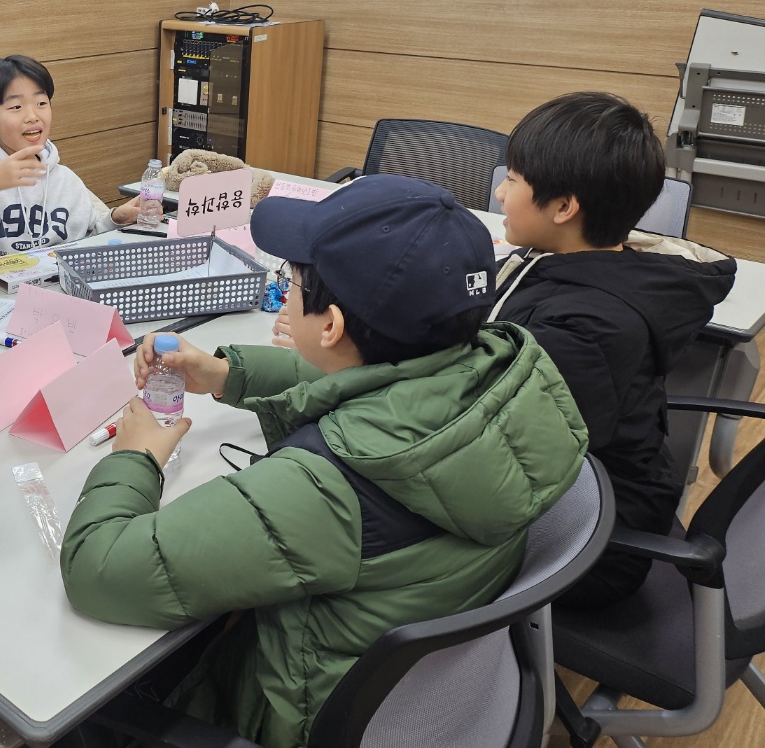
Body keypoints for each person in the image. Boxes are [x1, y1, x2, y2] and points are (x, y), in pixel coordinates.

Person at [59, 175, 588, 748]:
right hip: (428, 698)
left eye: (290, 281)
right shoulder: (503, 371)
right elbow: (381, 384)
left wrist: (135, 459)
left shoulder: (326, 487)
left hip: (301, 712)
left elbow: (99, 569)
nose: (286, 291)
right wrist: (224, 373)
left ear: (330, 325)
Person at [489, 91, 736, 606]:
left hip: (589, 546)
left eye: (511, 181)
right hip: (584, 494)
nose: (499, 196)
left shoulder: (589, 327)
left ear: (563, 207)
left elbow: (501, 450)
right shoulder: (570, 263)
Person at [0, 54, 140, 260]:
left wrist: (114, 221)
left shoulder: (64, 179)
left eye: (41, 103)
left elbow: (84, 245)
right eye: (16, 107)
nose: (33, 116)